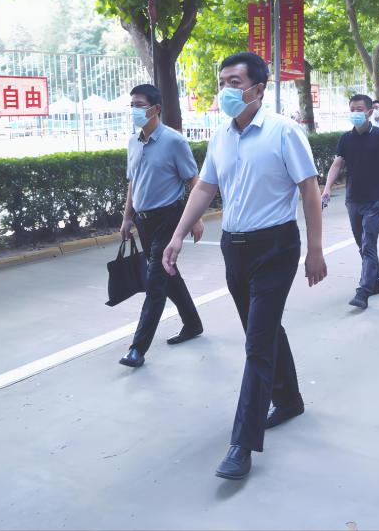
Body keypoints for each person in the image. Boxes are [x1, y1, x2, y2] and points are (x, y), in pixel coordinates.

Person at [162, 52, 327, 480]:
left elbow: (309, 190)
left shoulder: (283, 131)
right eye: (222, 82)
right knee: (264, 330)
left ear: (258, 88)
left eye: (234, 82)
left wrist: (315, 249)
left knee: (256, 344)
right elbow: (204, 188)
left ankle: (243, 444)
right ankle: (289, 399)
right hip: (234, 248)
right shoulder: (221, 135)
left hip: (276, 247)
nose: (226, 90)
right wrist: (177, 234)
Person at [118, 84, 206, 369]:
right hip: (144, 221)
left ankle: (137, 348)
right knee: (168, 273)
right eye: (132, 104)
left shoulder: (174, 141)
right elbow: (134, 183)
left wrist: (195, 218)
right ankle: (192, 323)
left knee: (155, 282)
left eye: (140, 105)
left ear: (155, 109)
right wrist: (127, 218)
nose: (134, 110)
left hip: (169, 218)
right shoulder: (133, 142)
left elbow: (194, 180)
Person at [321, 94, 379, 310]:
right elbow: (337, 164)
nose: (355, 113)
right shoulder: (346, 139)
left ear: (369, 112)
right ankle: (377, 281)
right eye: (352, 109)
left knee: (368, 244)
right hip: (353, 199)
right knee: (363, 244)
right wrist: (327, 188)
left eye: (359, 109)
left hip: (375, 200)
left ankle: (363, 291)